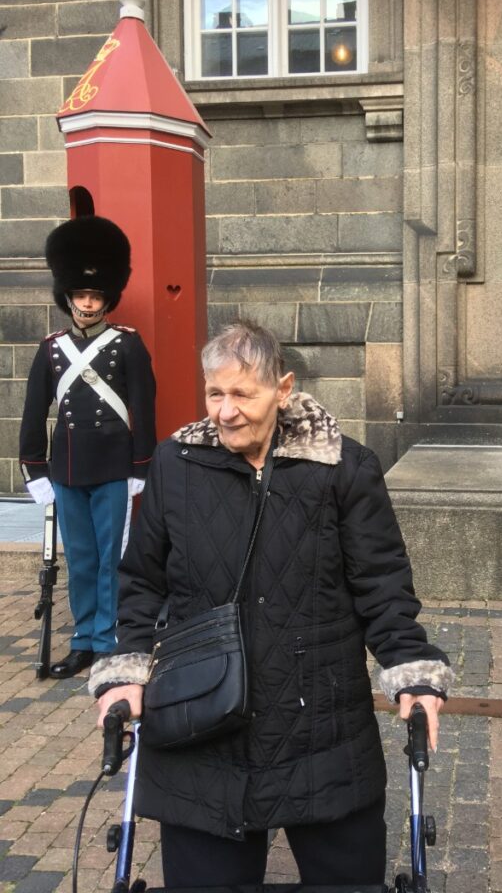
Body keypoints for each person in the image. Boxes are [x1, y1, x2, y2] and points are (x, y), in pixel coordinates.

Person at [90, 321, 452, 889]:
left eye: (243, 394)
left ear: (282, 389)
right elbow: (141, 581)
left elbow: (381, 584)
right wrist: (126, 670)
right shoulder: (175, 465)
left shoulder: (343, 467)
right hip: (201, 727)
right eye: (214, 393)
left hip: (322, 728)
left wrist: (412, 669)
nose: (226, 411)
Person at [19, 215, 157, 679]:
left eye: (95, 295)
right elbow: (34, 412)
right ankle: (82, 639)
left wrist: (141, 464)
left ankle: (108, 639)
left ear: (106, 298)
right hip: (68, 469)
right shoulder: (51, 349)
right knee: (79, 559)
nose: (88, 302)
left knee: (112, 559)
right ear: (69, 297)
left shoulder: (127, 345)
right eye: (80, 294)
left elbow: (144, 407)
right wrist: (35, 468)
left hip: (114, 467)